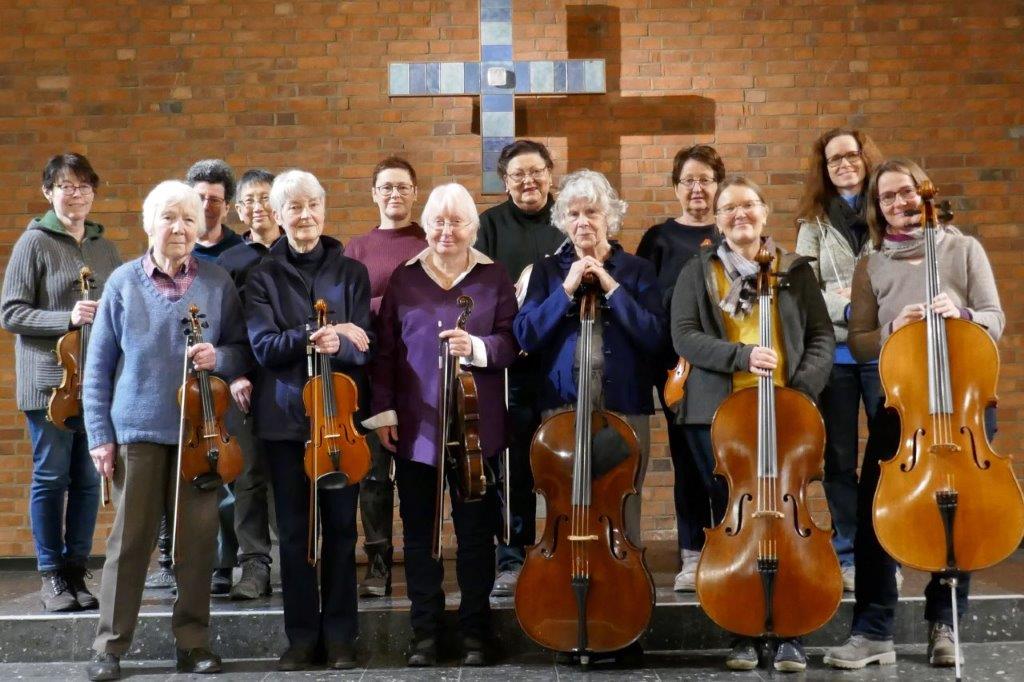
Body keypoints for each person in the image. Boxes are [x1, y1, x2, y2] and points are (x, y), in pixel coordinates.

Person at [824, 158, 1004, 671]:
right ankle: (872, 632)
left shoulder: (963, 249)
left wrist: (963, 314)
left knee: (957, 518)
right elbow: (858, 342)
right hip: (900, 408)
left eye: (906, 193)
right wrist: (891, 329)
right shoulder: (871, 264)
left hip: (963, 406)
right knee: (876, 517)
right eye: (887, 198)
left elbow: (995, 317)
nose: (900, 204)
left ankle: (945, 624)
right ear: (878, 208)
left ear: (921, 194)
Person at [82, 180, 251, 681]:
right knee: (129, 543)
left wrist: (217, 356)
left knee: (197, 545)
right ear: (148, 224)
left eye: (188, 219)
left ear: (200, 228)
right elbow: (97, 367)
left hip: (201, 435)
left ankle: (193, 644)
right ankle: (110, 647)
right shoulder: (123, 284)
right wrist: (99, 434)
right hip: (136, 432)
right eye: (169, 218)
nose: (179, 228)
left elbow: (241, 349)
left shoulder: (218, 282)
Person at [671, 176, 834, 672]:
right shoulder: (699, 271)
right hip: (719, 419)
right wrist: (742, 354)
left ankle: (791, 629)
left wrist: (799, 393)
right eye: (728, 209)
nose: (738, 215)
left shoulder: (795, 270)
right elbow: (684, 337)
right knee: (732, 523)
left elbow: (822, 337)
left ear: (764, 213)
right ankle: (739, 629)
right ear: (717, 219)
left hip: (783, 413)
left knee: (788, 522)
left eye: (747, 206)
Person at [366, 183, 518, 667]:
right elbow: (386, 352)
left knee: (475, 534)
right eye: (438, 221)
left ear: (472, 227)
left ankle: (476, 632)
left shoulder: (494, 277)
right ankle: (425, 633)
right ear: (425, 226)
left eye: (457, 222)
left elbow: (512, 341)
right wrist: (384, 412)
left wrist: (477, 349)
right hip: (416, 430)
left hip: (477, 430)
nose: (446, 231)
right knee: (420, 535)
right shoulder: (404, 279)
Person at [244, 169, 372, 671]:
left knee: (341, 531)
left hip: (339, 422)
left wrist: (342, 338)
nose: (305, 215)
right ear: (277, 216)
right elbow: (264, 347)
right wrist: (316, 333)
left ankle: (341, 637)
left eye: (312, 204)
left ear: (324, 208)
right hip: (285, 425)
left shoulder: (351, 272)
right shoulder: (261, 277)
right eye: (293, 207)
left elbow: (364, 348)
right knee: (295, 535)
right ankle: (300, 638)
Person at [514, 169, 666, 550]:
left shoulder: (637, 271)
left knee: (623, 499)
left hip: (624, 405)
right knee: (566, 499)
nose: (583, 222)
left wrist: (612, 288)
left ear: (609, 217)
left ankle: (626, 584)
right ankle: (565, 577)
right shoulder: (547, 272)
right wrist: (566, 289)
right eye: (574, 214)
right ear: (563, 220)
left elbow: (655, 337)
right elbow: (526, 334)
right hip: (561, 410)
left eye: (592, 212)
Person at [0, 153, 121, 613]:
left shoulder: (104, 248)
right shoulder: (33, 242)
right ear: (48, 192)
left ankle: (76, 572)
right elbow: (10, 312)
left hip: (95, 383)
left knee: (89, 480)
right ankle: (51, 575)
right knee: (51, 478)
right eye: (67, 187)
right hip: (49, 383)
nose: (77, 195)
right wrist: (64, 317)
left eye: (85, 187)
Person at [795, 128, 884, 591]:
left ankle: (886, 552)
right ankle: (846, 552)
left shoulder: (886, 210)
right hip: (837, 354)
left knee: (888, 456)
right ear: (824, 169)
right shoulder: (813, 221)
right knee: (840, 457)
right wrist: (848, 307)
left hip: (883, 349)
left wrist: (863, 304)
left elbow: (898, 279)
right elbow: (805, 290)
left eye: (851, 155)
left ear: (865, 158)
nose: (843, 164)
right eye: (833, 160)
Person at [475, 139, 565, 598]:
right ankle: (512, 557)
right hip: (510, 365)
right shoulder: (488, 226)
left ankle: (564, 549)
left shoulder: (568, 219)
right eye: (517, 175)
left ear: (551, 172)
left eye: (536, 172)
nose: (528, 182)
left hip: (560, 363)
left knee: (563, 460)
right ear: (505, 181)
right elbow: (476, 288)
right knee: (511, 465)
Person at [636, 144, 724, 592]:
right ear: (676, 188)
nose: (697, 188)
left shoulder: (731, 232)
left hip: (726, 370)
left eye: (705, 179)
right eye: (688, 180)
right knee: (688, 463)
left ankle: (729, 546)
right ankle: (691, 553)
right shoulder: (659, 238)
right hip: (678, 371)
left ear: (717, 185)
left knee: (725, 462)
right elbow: (646, 306)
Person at [344, 156, 427, 598]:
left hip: (417, 377)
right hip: (369, 378)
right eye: (386, 187)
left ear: (415, 193)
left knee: (416, 474)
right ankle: (377, 563)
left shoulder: (430, 242)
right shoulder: (356, 249)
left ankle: (418, 561)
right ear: (374, 193)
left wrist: (378, 306)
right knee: (373, 476)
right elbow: (346, 314)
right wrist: (390, 306)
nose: (395, 194)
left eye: (403, 187)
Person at [213, 168, 285, 600]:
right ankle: (254, 565)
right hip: (245, 382)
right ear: (238, 210)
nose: (257, 208)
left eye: (265, 198)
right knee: (248, 476)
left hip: (291, 382)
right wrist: (234, 372)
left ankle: (298, 558)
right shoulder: (228, 262)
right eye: (248, 202)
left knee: (292, 474)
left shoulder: (295, 249)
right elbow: (222, 328)